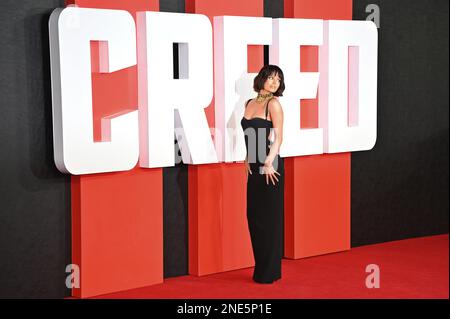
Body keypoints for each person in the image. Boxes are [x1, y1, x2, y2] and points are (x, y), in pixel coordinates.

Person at [240, 64, 285, 284]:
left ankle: (270, 272)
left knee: (269, 219)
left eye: (278, 79)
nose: (274, 82)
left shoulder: (273, 104)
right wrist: (248, 157)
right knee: (254, 217)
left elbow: (279, 138)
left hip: (270, 166)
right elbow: (250, 133)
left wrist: (268, 162)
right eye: (270, 78)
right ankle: (262, 268)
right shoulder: (250, 102)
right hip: (254, 166)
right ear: (262, 79)